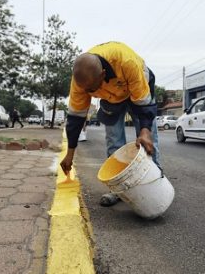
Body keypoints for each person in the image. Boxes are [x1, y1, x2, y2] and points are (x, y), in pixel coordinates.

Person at [60, 41, 160, 206]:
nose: (89, 94)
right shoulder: (81, 82)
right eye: (86, 91)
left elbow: (144, 105)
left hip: (139, 89)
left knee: (148, 140)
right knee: (114, 140)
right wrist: (70, 154)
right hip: (112, 98)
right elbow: (76, 119)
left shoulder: (127, 62)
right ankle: (119, 189)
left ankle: (155, 183)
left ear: (103, 74)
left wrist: (145, 130)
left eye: (93, 89)